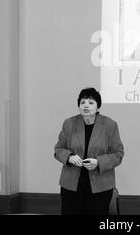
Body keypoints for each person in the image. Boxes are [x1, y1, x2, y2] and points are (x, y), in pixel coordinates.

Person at [54, 87, 124, 215]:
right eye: (83, 102)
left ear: (98, 107)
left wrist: (98, 162)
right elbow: (58, 149)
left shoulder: (109, 125)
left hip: (100, 186)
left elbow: (118, 154)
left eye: (91, 103)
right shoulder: (69, 123)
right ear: (79, 105)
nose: (86, 106)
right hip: (71, 185)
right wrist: (69, 157)